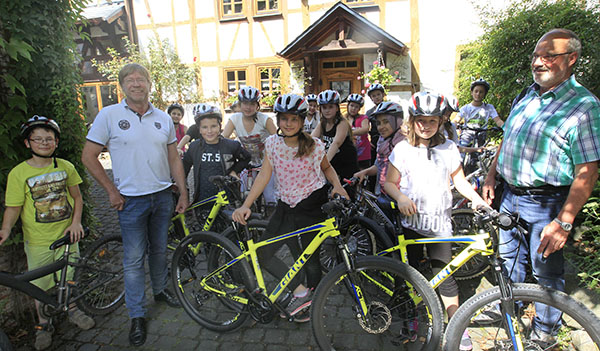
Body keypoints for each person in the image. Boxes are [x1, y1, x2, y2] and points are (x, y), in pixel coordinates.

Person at [482, 29, 600, 347]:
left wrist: (563, 221)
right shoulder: (526, 95)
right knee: (508, 260)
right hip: (510, 196)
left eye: (549, 55)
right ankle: (510, 309)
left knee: (546, 270)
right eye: (536, 55)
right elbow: (507, 138)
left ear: (571, 58)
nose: (539, 61)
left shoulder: (584, 106)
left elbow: (588, 171)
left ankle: (544, 332)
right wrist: (493, 175)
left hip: (547, 201)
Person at [81, 63, 189, 347]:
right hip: (129, 201)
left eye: (141, 79)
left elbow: (174, 158)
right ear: (122, 86)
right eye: (130, 80)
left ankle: (161, 291)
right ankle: (137, 315)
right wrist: (111, 190)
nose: (137, 84)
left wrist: (184, 192)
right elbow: (89, 156)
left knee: (158, 250)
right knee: (132, 260)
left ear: (149, 84)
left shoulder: (163, 119)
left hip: (163, 196)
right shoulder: (109, 115)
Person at [384, 92, 489, 351]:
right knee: (411, 278)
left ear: (441, 121)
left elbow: (460, 181)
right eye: (421, 120)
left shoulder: (449, 148)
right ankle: (413, 322)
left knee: (445, 276)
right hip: (410, 225)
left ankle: (456, 327)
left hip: (440, 226)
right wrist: (400, 197)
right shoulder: (403, 148)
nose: (426, 126)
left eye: (432, 121)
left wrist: (477, 201)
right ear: (412, 120)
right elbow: (388, 182)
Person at [232, 93, 348, 323]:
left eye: (294, 119)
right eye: (284, 119)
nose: (288, 123)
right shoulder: (273, 143)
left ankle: (311, 302)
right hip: (285, 207)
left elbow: (326, 168)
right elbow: (265, 174)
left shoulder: (314, 145)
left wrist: (338, 186)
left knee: (309, 259)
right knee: (264, 254)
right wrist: (247, 204)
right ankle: (300, 291)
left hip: (311, 207)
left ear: (303, 120)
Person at [0, 116, 95, 350]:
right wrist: (5, 229)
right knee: (39, 286)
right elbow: (13, 207)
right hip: (38, 241)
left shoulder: (65, 167)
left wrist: (76, 223)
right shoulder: (19, 173)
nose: (44, 143)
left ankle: (73, 310)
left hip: (67, 236)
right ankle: (44, 324)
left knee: (70, 276)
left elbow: (77, 197)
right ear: (27, 143)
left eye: (49, 139)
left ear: (56, 142)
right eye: (38, 139)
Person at [182, 103, 251, 206]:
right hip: (202, 198)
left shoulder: (231, 145)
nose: (209, 131)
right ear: (199, 129)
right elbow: (184, 167)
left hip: (227, 198)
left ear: (220, 126)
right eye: (204, 127)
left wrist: (234, 171)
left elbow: (246, 157)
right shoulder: (194, 147)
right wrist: (179, 186)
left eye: (213, 126)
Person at [223, 86, 278, 204]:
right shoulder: (234, 119)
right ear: (240, 104)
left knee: (269, 196)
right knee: (243, 194)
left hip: (266, 163)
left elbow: (278, 140)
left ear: (257, 105)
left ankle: (269, 218)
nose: (248, 107)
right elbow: (223, 140)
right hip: (246, 162)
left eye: (252, 104)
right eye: (245, 103)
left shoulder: (265, 119)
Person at [353, 101, 405, 203]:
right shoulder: (382, 141)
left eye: (386, 121)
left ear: (397, 121)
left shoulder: (405, 144)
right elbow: (379, 165)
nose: (381, 127)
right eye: (378, 123)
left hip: (401, 197)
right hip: (382, 194)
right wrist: (365, 172)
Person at [311, 90, 359, 180]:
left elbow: (336, 143)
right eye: (324, 107)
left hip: (346, 164)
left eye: (330, 107)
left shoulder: (342, 123)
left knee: (346, 192)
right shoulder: (322, 123)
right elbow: (311, 140)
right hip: (333, 164)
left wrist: (324, 164)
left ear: (337, 108)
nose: (327, 110)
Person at [457, 78, 503, 149]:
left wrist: (505, 127)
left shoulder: (489, 107)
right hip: (467, 135)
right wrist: (453, 125)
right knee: (461, 153)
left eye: (481, 92)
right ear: (472, 93)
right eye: (476, 91)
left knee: (480, 155)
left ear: (485, 94)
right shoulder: (465, 108)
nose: (478, 94)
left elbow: (497, 120)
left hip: (481, 135)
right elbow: (457, 119)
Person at [346, 93, 371, 170]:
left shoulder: (363, 118)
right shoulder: (344, 119)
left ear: (359, 109)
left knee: (363, 178)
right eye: (352, 105)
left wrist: (349, 132)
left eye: (356, 107)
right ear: (348, 106)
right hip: (349, 154)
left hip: (363, 155)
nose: (353, 108)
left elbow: (365, 129)